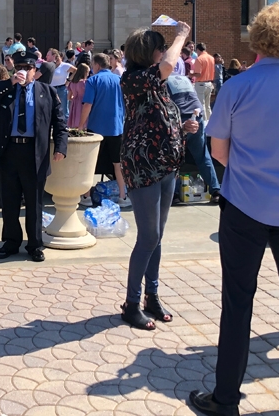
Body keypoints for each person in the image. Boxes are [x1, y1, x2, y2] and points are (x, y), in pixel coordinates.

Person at [192, 3, 279, 416]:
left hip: (244, 204)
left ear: (257, 39)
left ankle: (226, 397)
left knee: (238, 300)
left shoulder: (238, 86)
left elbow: (217, 149)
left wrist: (251, 170)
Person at [118, 23, 199, 330]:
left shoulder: (156, 84)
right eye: (160, 47)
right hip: (144, 166)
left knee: (157, 236)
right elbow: (166, 66)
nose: (165, 51)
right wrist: (181, 36)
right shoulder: (135, 78)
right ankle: (131, 302)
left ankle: (151, 295)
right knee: (148, 236)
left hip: (166, 164)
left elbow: (156, 119)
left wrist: (182, 128)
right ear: (147, 51)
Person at [0, 50, 68, 263]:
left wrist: (60, 147)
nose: (22, 72)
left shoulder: (46, 92)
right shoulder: (5, 90)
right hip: (9, 152)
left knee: (34, 202)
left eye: (27, 68)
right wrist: (9, 83)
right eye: (18, 68)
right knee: (9, 201)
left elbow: (60, 121)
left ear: (34, 72)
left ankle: (35, 244)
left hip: (34, 153)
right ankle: (11, 241)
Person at [78, 53, 130, 208]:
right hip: (116, 127)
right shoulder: (119, 80)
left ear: (97, 65)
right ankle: (123, 196)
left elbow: (88, 104)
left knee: (90, 163)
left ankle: (87, 196)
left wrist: (81, 125)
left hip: (96, 128)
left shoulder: (93, 80)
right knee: (117, 164)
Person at [166, 75, 221, 204]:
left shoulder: (162, 79)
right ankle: (216, 190)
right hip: (197, 115)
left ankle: (174, 194)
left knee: (173, 157)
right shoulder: (183, 78)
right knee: (202, 155)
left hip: (179, 117)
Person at [48, 49, 77, 122]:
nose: (57, 60)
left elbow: (76, 70)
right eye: (56, 58)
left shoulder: (65, 66)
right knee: (51, 108)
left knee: (64, 108)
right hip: (51, 88)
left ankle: (65, 125)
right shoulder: (51, 65)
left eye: (58, 58)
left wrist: (69, 80)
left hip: (61, 88)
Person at [191, 43, 215, 120]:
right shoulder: (211, 58)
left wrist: (191, 74)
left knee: (201, 105)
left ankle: (203, 123)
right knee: (207, 105)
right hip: (209, 83)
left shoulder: (199, 59)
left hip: (201, 84)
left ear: (198, 49)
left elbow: (198, 74)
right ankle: (210, 122)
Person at [66, 64, 89, 129]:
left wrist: (74, 98)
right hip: (83, 102)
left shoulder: (72, 83)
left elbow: (69, 97)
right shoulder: (85, 83)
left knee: (75, 120)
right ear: (85, 72)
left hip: (75, 102)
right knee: (83, 120)